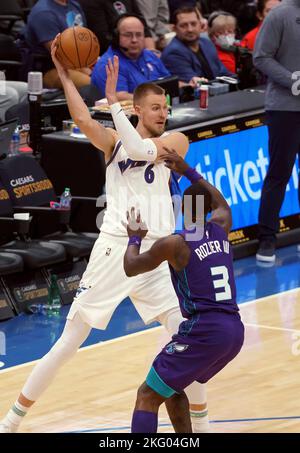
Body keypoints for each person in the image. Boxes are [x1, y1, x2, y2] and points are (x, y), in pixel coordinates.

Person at [0, 40, 209, 434]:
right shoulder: (114, 141)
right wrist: (64, 75)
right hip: (116, 248)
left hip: (158, 253)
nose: (164, 114)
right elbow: (84, 122)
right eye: (156, 108)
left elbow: (142, 149)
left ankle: (203, 427)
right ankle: (11, 421)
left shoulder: (176, 143)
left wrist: (113, 102)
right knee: (69, 341)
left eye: (165, 108)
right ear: (138, 110)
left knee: (186, 338)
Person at [123, 149, 244, 433]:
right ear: (207, 210)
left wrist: (134, 237)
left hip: (206, 329)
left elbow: (131, 267)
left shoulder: (176, 243)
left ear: (182, 209)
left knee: (147, 395)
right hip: (235, 332)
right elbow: (221, 202)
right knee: (171, 388)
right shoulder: (221, 226)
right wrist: (188, 169)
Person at [253, 0, 300, 263]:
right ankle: (267, 238)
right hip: (285, 109)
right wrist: (294, 81)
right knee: (279, 172)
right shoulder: (281, 14)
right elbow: (261, 56)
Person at [91, 14, 170, 100]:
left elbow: (169, 83)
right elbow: (120, 97)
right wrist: (154, 100)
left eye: (139, 35)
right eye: (128, 35)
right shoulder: (109, 63)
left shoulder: (149, 55)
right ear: (116, 37)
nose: (134, 40)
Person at [20, 0, 91, 89]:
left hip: (79, 63)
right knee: (93, 83)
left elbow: (86, 40)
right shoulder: (44, 13)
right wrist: (90, 71)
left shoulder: (73, 5)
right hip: (50, 69)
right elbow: (60, 54)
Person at [161, 6, 233, 89]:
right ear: (174, 28)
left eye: (193, 24)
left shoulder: (207, 43)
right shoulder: (173, 53)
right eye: (183, 25)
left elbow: (223, 73)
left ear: (200, 25)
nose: (190, 29)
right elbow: (195, 84)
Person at [78, 0, 155, 55]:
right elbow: (103, 39)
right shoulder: (90, 2)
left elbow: (142, 25)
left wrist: (151, 53)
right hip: (114, 52)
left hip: (135, 51)